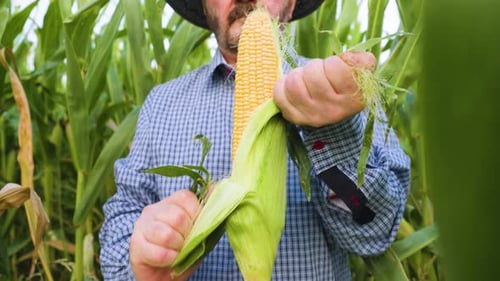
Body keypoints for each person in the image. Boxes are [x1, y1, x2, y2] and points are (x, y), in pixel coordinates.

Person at [99, 0, 411, 280]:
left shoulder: (343, 89)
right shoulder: (161, 104)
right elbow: (122, 217)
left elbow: (374, 230)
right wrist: (140, 257)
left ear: (292, 4)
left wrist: (335, 132)